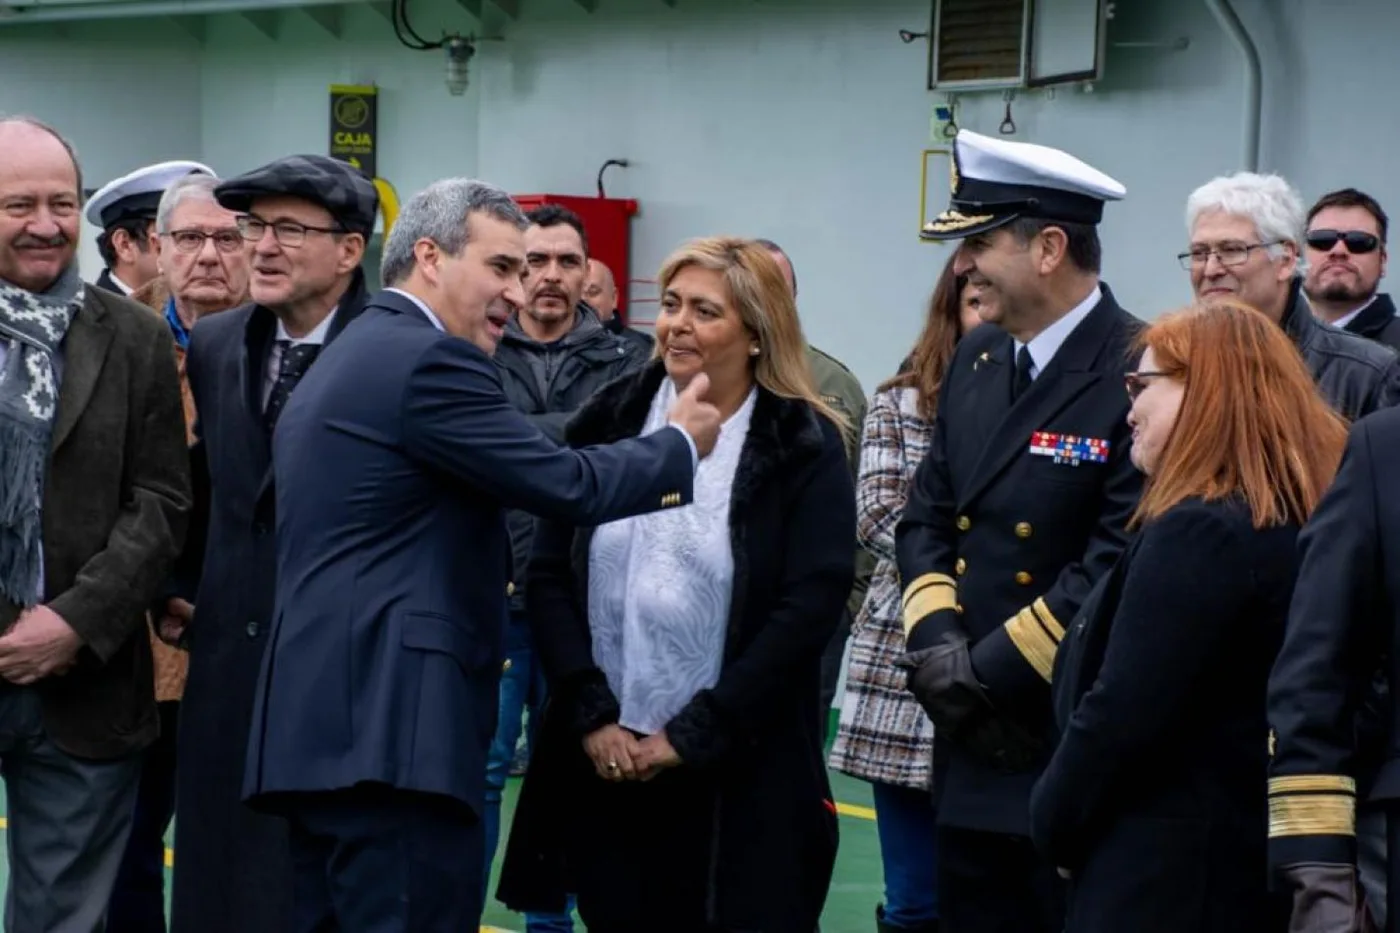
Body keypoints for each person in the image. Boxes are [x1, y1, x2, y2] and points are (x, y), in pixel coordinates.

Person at [239, 177, 721, 933]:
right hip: (393, 739)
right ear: (430, 256)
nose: (519, 291)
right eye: (502, 267)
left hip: (325, 735)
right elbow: (562, 482)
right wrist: (678, 446)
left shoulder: (350, 351)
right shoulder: (428, 359)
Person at [497, 235, 856, 933]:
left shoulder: (801, 441)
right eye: (669, 305)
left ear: (756, 333)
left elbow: (811, 601)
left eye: (704, 310)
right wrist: (591, 711)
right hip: (608, 760)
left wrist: (698, 730)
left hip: (738, 767)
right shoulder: (608, 417)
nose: (677, 324)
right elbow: (548, 572)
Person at [1029, 301, 1347, 933]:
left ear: (1205, 393)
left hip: (1162, 876)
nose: (1130, 411)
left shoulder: (1202, 530)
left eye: (1142, 386)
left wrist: (1052, 821)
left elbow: (1122, 711)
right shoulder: (1277, 521)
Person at [895, 128, 1144, 933]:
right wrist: (938, 648)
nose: (963, 264)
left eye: (981, 241)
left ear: (1047, 248)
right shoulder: (979, 360)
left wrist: (985, 671)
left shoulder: (1141, 367)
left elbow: (1117, 557)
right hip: (968, 736)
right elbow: (928, 516)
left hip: (1061, 734)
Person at [168, 153, 379, 933]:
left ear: (350, 251)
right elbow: (209, 489)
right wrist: (178, 589)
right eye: (256, 225)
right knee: (217, 890)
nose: (260, 246)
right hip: (227, 675)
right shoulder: (221, 342)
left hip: (339, 683)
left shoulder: (393, 351)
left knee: (312, 898)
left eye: (289, 228)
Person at [0, 115, 191, 931]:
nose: (46, 225)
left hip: (86, 680)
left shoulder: (139, 338)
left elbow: (161, 502)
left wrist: (74, 620)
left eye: (62, 202)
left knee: (64, 918)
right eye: (18, 205)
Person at [107, 170, 250, 933]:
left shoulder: (283, 343)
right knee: (126, 848)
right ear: (156, 247)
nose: (209, 255)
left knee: (237, 849)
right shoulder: (109, 340)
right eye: (191, 237)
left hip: (250, 645)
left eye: (228, 238)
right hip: (129, 648)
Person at [828, 253, 985, 933]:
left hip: (1014, 657)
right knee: (915, 896)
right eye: (974, 300)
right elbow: (877, 515)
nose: (988, 314)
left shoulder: (1062, 399)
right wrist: (986, 558)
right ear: (950, 311)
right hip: (908, 655)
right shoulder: (901, 399)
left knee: (994, 889)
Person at [1183, 172, 1400, 419]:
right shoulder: (1170, 362)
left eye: (1232, 250)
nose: (1211, 269)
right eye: (1199, 253)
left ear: (1285, 260)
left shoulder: (1368, 374)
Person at [86, 159, 214, 297]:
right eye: (187, 237)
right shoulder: (85, 315)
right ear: (125, 245)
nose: (207, 253)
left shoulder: (201, 307)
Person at [1303, 188, 1398, 350]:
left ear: (1382, 261)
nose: (1339, 251)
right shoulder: (1268, 342)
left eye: (1359, 241)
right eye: (1322, 239)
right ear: (1297, 256)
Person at [585, 256, 653, 354]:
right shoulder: (558, 343)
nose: (583, 300)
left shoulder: (640, 350)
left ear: (614, 298)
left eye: (592, 292)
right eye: (575, 293)